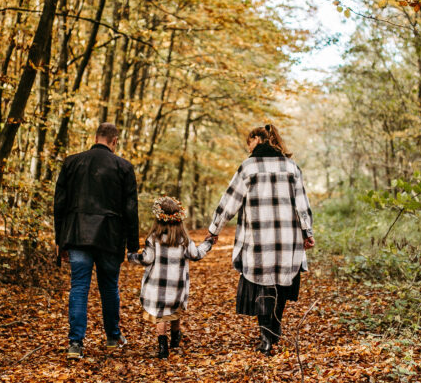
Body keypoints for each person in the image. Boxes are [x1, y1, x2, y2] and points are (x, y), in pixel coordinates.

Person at [204, 123, 315, 355]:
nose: (248, 147)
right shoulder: (291, 167)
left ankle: (266, 336)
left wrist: (214, 229)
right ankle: (274, 330)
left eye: (249, 141)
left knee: (264, 283)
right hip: (288, 238)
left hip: (258, 239)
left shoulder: (249, 167)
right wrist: (308, 232)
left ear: (257, 138)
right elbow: (302, 204)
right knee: (281, 283)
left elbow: (229, 202)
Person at [54, 122, 139, 360]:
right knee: (109, 287)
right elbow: (131, 209)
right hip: (110, 237)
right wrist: (132, 246)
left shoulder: (72, 163)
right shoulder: (123, 167)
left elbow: (59, 203)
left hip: (77, 234)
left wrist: (60, 240)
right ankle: (112, 337)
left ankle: (75, 344)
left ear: (96, 137)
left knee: (79, 287)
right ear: (114, 141)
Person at [128, 196, 212, 358]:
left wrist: (131, 256)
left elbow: (146, 259)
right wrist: (208, 243)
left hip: (157, 288)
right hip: (177, 289)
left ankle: (162, 346)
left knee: (161, 316)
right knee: (174, 313)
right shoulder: (184, 240)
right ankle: (175, 339)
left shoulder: (153, 239)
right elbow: (197, 254)